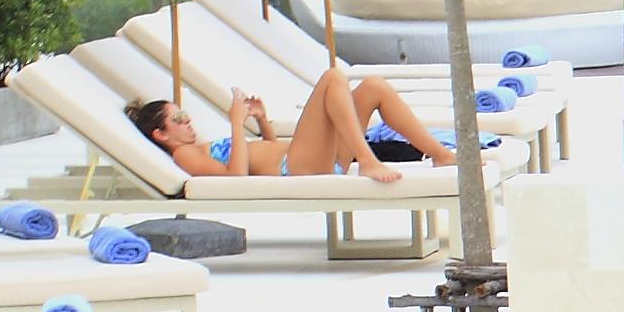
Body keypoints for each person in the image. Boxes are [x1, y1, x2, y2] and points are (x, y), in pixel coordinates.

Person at [128, 69, 450, 184]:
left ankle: (439, 154)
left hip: (304, 159)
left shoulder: (200, 147)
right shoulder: (184, 157)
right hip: (296, 167)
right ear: (161, 134)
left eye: (186, 115)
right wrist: (236, 124)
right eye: (179, 119)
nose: (189, 122)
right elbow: (236, 176)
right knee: (332, 78)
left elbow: (264, 152)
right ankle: (366, 161)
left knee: (373, 87)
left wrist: (262, 121)